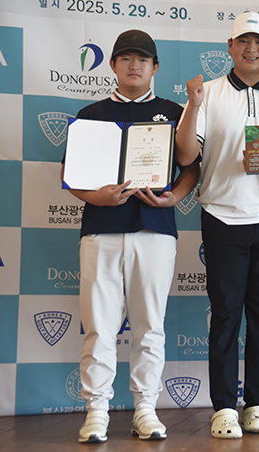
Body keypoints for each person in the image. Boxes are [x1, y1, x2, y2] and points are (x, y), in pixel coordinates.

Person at [65, 29, 200, 443]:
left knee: (149, 326)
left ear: (155, 67)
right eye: (126, 58)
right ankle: (97, 411)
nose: (134, 65)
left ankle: (145, 409)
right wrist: (97, 197)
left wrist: (174, 197)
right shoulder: (91, 114)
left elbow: (190, 165)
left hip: (154, 231)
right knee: (99, 327)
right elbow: (71, 175)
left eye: (142, 59)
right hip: (101, 230)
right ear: (113, 65)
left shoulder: (173, 112)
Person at [174, 11, 259, 439]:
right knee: (226, 314)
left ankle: (257, 404)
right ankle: (224, 407)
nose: (252, 49)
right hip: (221, 216)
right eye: (243, 41)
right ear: (230, 47)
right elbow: (186, 156)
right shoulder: (206, 94)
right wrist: (193, 104)